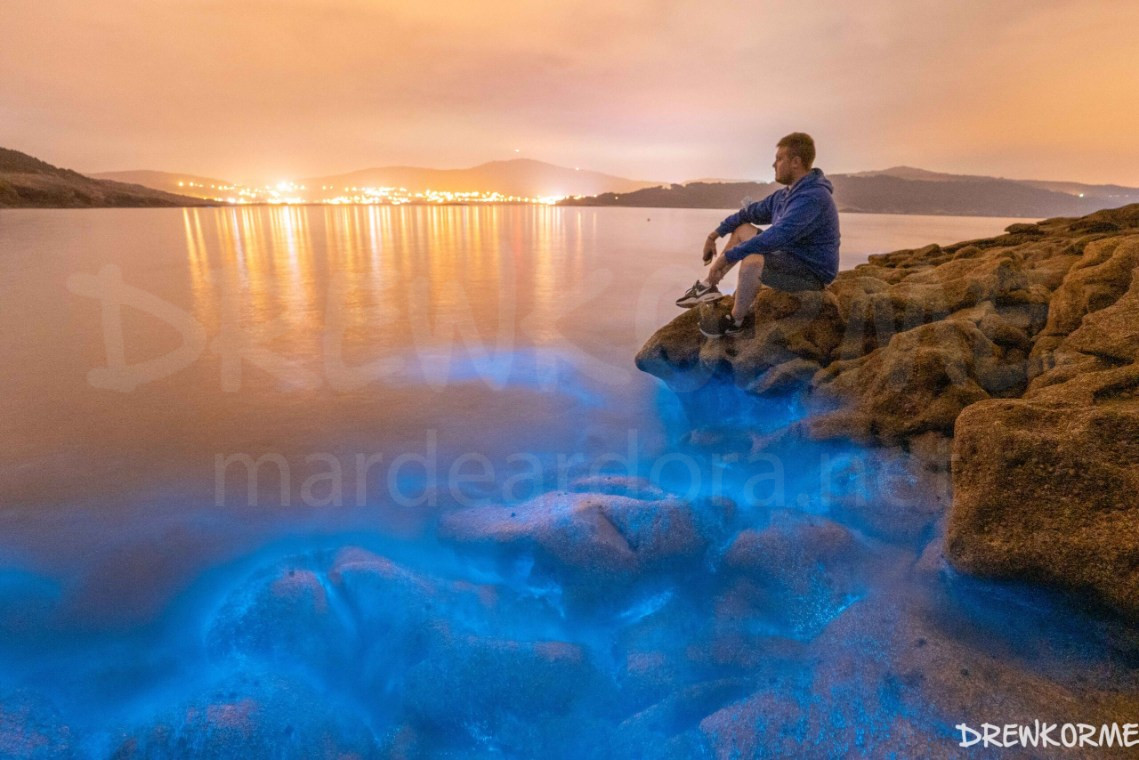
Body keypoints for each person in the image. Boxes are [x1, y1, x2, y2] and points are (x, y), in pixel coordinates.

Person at [675, 132, 840, 337]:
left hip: (813, 274)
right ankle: (709, 286)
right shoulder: (785, 195)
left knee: (753, 259)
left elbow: (776, 237)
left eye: (779, 159)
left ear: (796, 162)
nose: (774, 165)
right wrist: (714, 235)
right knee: (743, 229)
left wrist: (727, 257)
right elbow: (749, 213)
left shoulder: (813, 198)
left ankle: (736, 322)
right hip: (789, 258)